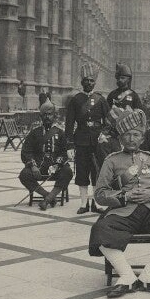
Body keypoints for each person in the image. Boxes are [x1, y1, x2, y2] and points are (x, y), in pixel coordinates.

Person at [89, 108, 150, 298]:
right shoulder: (111, 161)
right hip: (122, 212)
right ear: (120, 138)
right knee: (100, 230)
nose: (131, 139)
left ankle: (149, 274)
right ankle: (127, 276)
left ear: (142, 138)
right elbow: (100, 194)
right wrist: (124, 197)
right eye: (126, 135)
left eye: (135, 134)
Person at [65, 63, 109, 214]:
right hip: (81, 140)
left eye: (91, 81)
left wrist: (104, 133)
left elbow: (109, 121)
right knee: (82, 171)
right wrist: (69, 145)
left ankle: (97, 203)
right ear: (82, 81)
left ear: (95, 82)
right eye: (86, 80)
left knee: (98, 171)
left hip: (98, 142)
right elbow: (69, 124)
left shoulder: (101, 100)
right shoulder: (75, 99)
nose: (89, 83)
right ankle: (84, 204)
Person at [18, 101, 73, 210]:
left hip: (55, 167)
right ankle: (48, 196)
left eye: (50, 114)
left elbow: (64, 152)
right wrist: (33, 166)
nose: (47, 117)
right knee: (24, 174)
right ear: (41, 116)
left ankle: (48, 199)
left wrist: (57, 164)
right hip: (38, 167)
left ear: (54, 116)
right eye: (45, 114)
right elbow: (26, 151)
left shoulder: (60, 133)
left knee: (68, 172)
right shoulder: (34, 133)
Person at [101, 62, 143, 159]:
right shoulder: (112, 95)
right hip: (114, 134)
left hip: (128, 134)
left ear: (128, 79)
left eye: (123, 78)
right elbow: (107, 114)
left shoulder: (134, 95)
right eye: (118, 78)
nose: (120, 80)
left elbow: (139, 114)